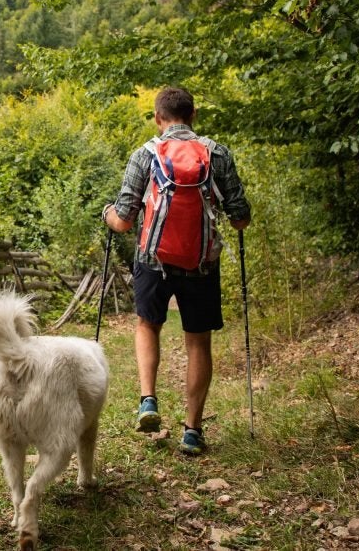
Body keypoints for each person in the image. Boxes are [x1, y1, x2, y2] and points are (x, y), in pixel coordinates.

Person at [102, 86, 251, 455]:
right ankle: (192, 431)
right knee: (198, 340)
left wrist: (107, 212)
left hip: (153, 260)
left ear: (158, 118)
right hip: (201, 262)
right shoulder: (217, 154)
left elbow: (122, 221)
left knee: (147, 324)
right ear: (193, 115)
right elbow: (241, 219)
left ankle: (148, 400)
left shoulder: (145, 155)